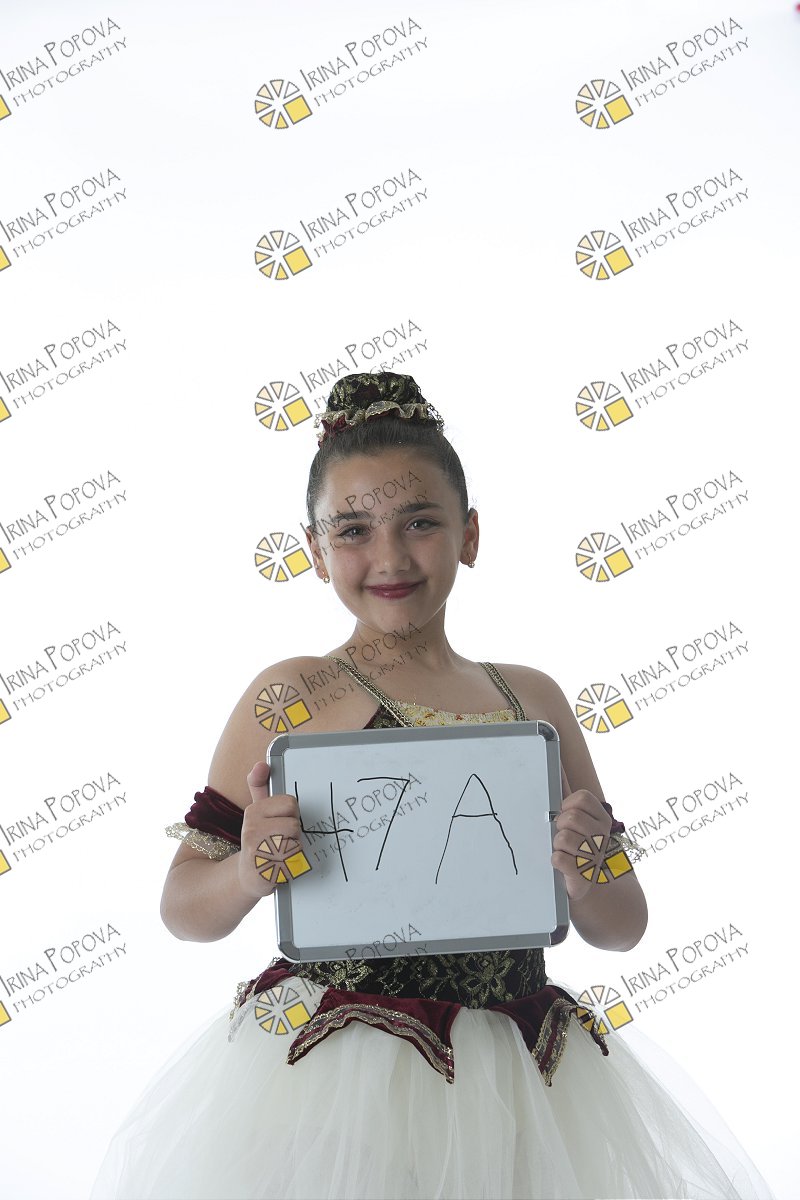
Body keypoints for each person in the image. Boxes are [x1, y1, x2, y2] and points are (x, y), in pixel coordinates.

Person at [90, 372, 774, 1200]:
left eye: (420, 522)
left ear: (470, 535)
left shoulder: (532, 700)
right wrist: (246, 871)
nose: (389, 556)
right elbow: (182, 908)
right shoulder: (292, 694)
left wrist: (587, 866)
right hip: (341, 1076)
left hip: (516, 1071)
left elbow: (622, 925)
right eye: (353, 530)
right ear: (314, 550)